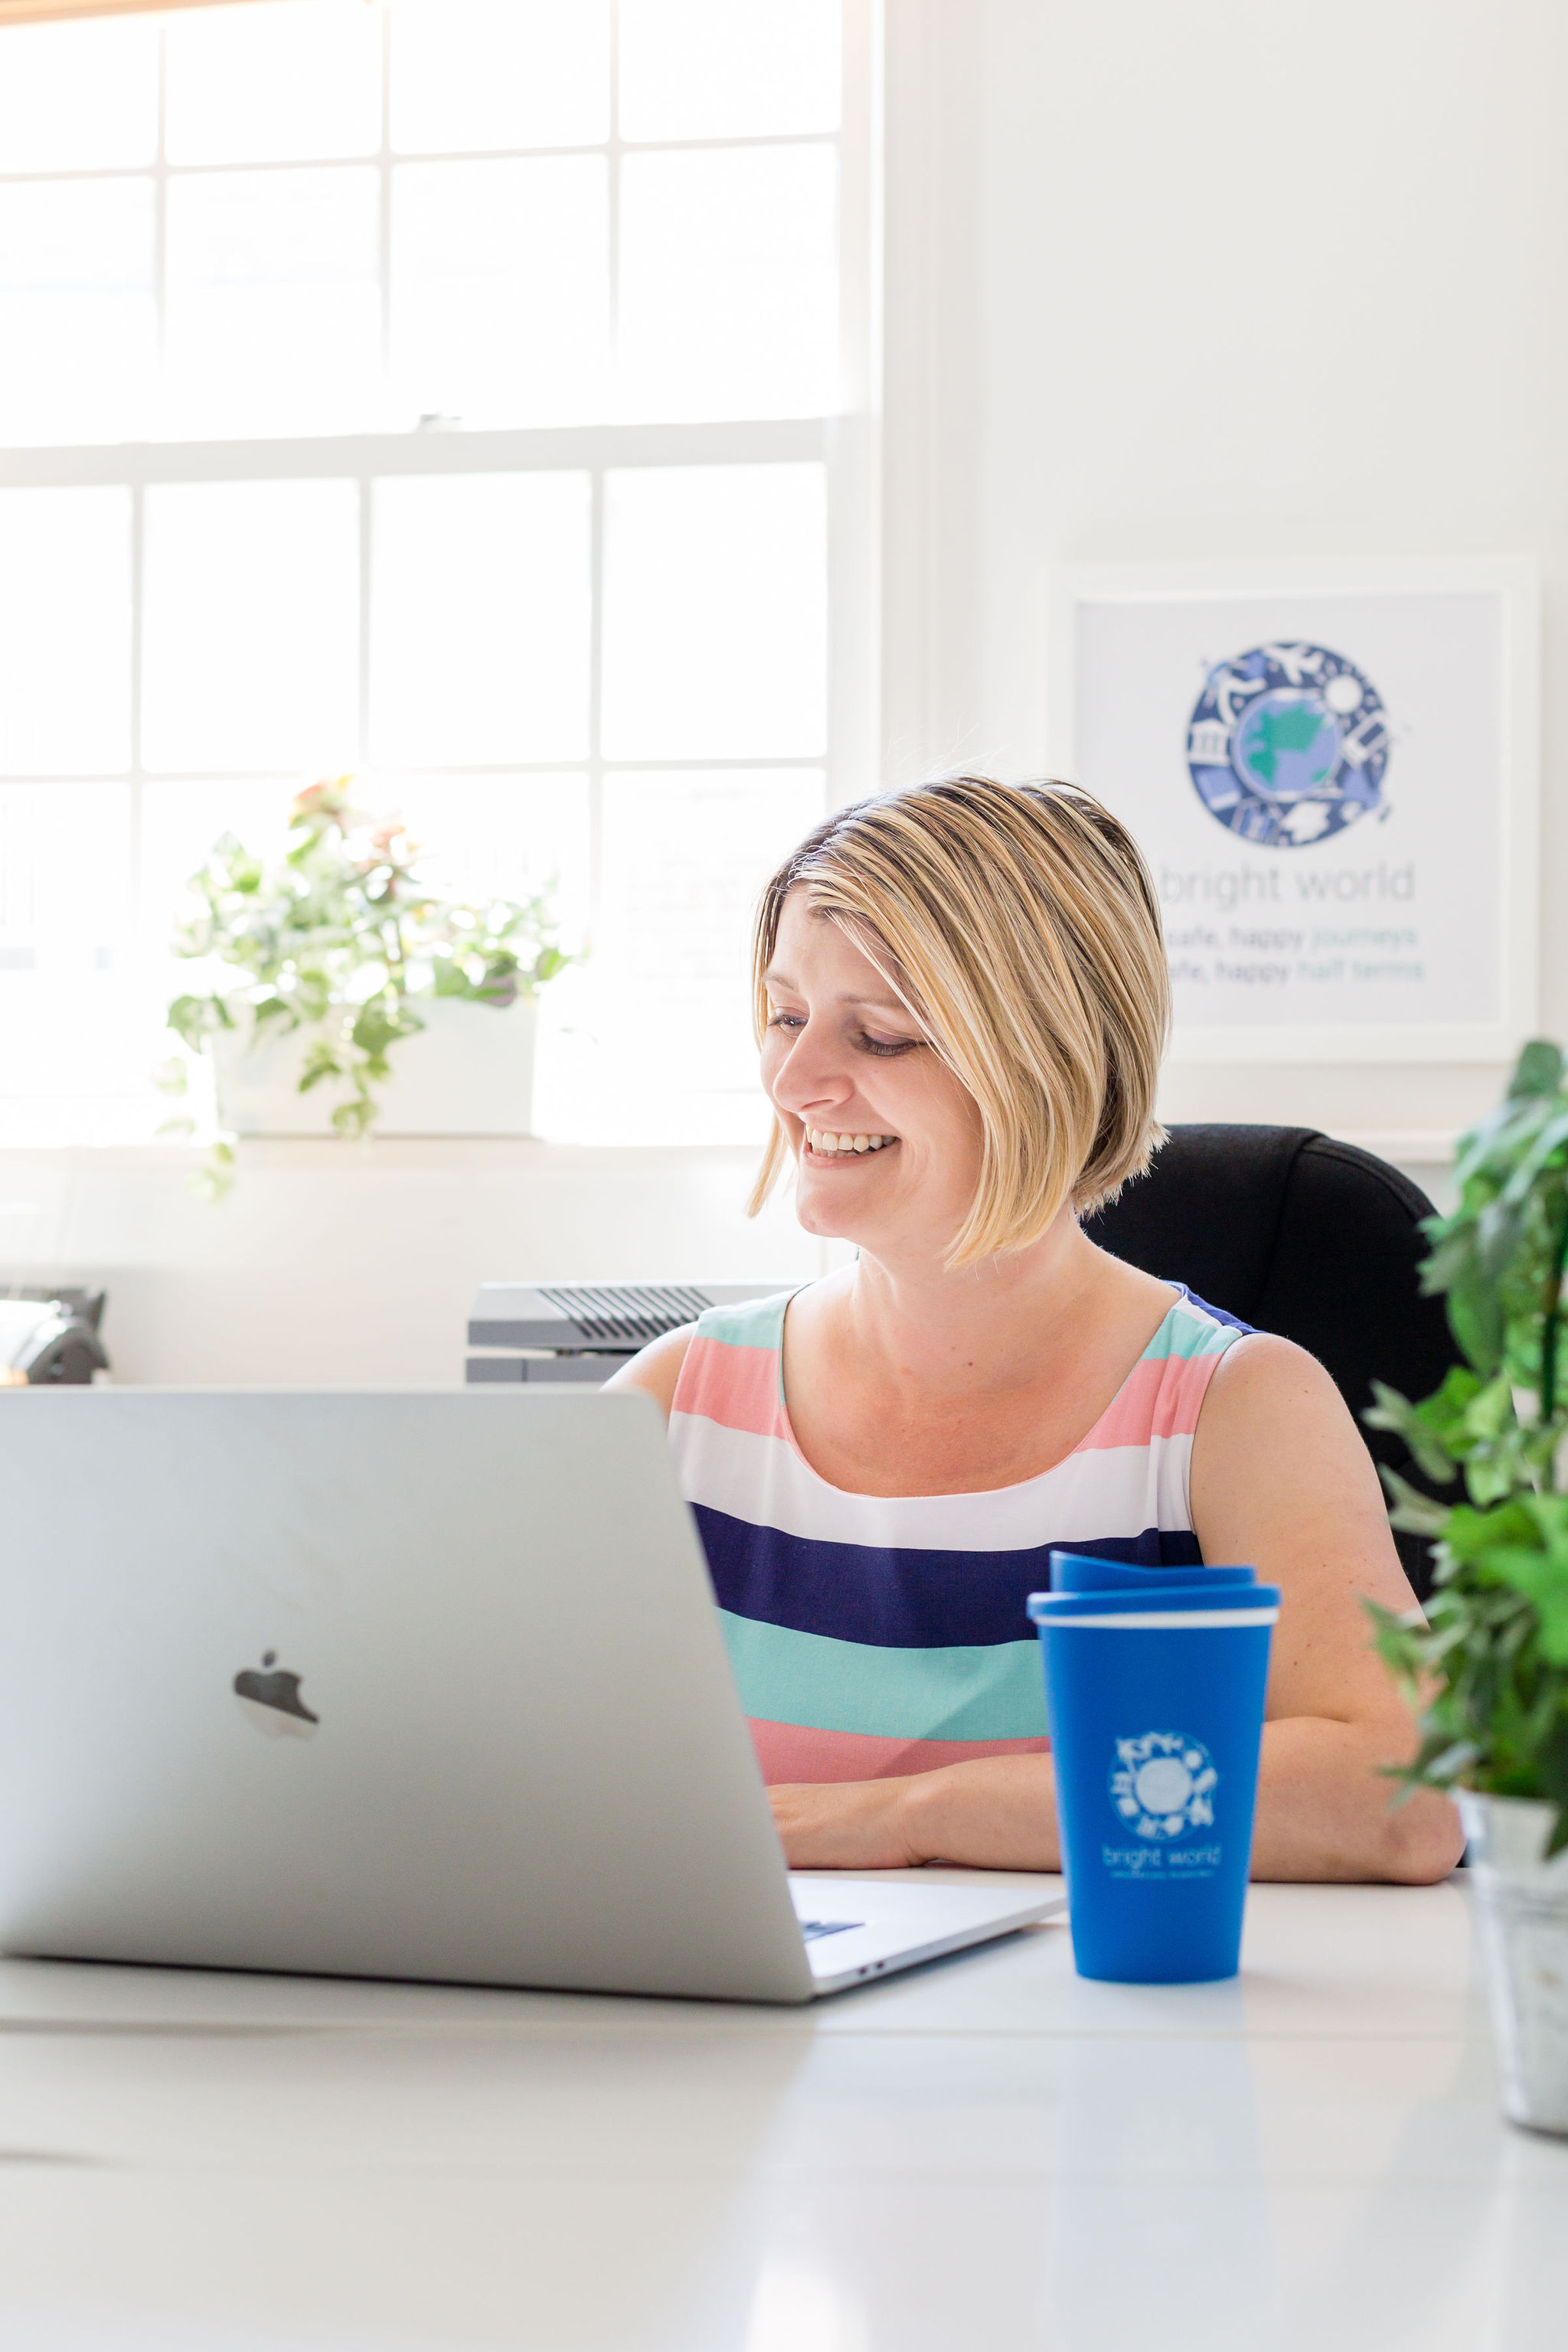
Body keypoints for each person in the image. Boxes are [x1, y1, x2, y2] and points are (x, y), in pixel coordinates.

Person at [609, 776, 1463, 1883]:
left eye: (880, 1034)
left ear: (1044, 1061)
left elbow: (1402, 1800)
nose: (797, 1077)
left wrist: (912, 1816)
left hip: (1113, 2040)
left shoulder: (1233, 1411)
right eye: (784, 1015)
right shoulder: (676, 1405)